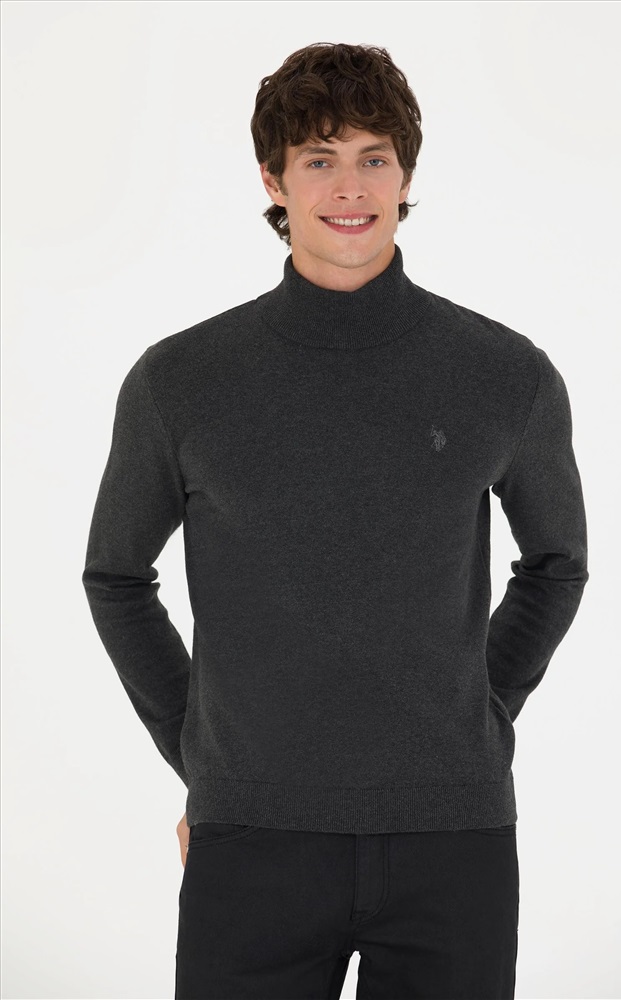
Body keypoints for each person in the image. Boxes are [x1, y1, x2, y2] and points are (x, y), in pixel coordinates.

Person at [81, 41, 589, 1000]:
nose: (349, 187)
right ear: (273, 180)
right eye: (319, 158)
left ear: (405, 174)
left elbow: (557, 560)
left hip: (453, 839)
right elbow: (114, 575)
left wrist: (480, 709)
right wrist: (197, 750)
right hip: (253, 836)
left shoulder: (502, 373)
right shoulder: (180, 381)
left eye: (373, 157)